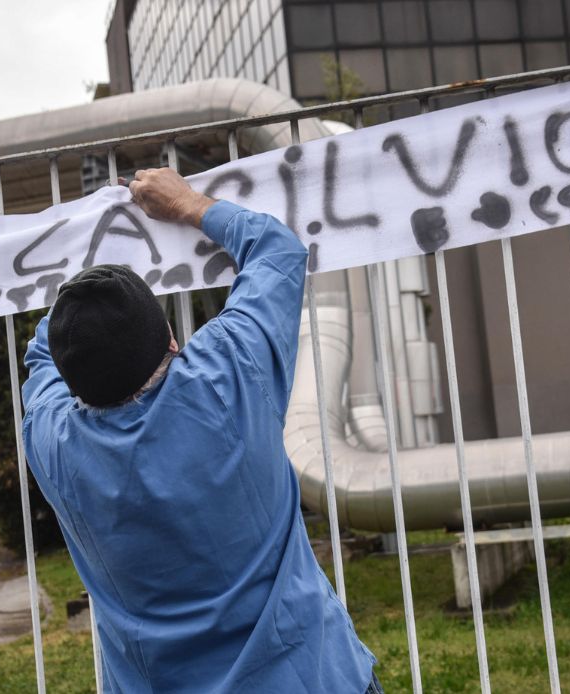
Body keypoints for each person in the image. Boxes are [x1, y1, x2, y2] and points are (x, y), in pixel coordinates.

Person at [21, 167, 380, 693]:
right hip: (311, 678)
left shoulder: (53, 444)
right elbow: (277, 249)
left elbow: (40, 358)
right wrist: (188, 204)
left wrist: (81, 287)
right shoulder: (227, 373)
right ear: (170, 339)